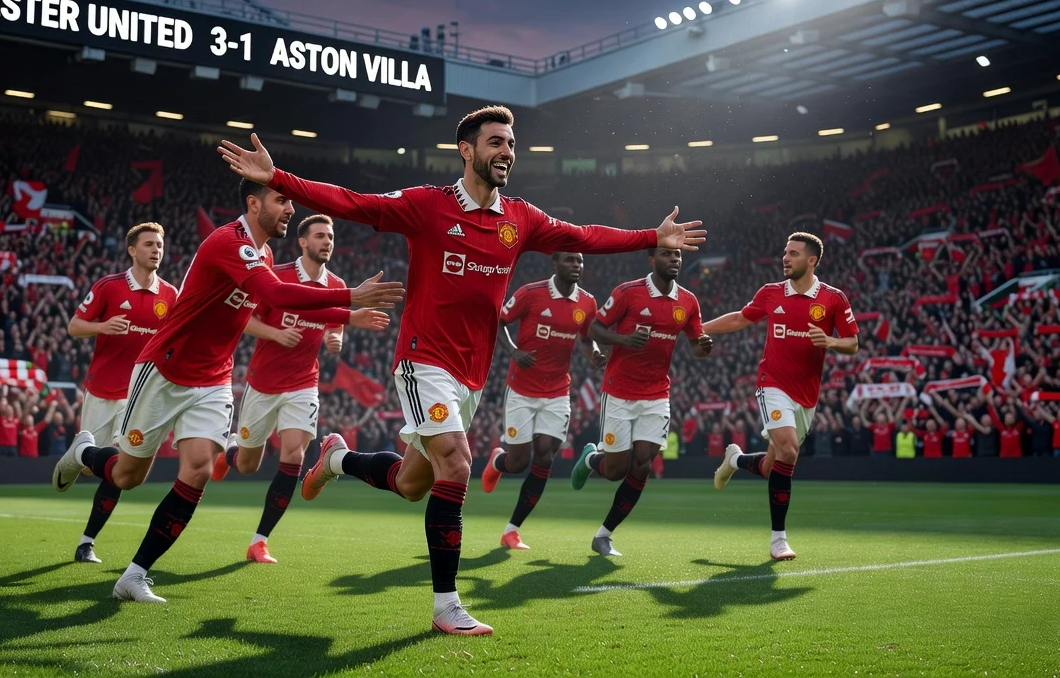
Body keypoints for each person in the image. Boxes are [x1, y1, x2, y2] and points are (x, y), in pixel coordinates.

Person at [218, 105, 704, 636]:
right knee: (458, 464)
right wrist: (280, 178)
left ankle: (337, 459)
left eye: (512, 144)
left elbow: (581, 236)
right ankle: (447, 605)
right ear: (467, 150)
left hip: (472, 374)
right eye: (496, 142)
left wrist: (650, 238)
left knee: (411, 484)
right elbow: (354, 203)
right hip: (423, 359)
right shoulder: (428, 206)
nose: (507, 152)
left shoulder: (519, 218)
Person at [51, 177, 401, 605]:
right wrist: (351, 297)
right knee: (127, 475)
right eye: (282, 200)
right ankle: (84, 453)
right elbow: (273, 292)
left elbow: (280, 302)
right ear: (254, 205)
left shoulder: (266, 252)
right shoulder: (228, 242)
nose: (290, 209)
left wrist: (348, 316)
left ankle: (135, 574)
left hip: (214, 378)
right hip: (164, 369)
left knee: (197, 469)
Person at [209, 214, 366, 565]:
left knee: (293, 455)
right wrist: (276, 334)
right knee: (249, 464)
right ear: (303, 242)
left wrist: (335, 337)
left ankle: (260, 540)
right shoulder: (275, 276)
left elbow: (335, 324)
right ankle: (230, 453)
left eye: (331, 236)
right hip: (263, 384)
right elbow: (242, 319)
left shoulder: (336, 284)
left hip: (303, 383)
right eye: (320, 236)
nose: (327, 241)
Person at [709, 233, 859, 561]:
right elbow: (738, 318)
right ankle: (779, 539)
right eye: (785, 252)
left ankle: (734, 460)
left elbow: (852, 343)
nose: (785, 258)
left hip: (807, 396)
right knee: (789, 451)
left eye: (793, 253)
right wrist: (698, 328)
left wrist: (831, 343)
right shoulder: (771, 292)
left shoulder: (833, 299)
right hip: (772, 384)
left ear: (812, 260)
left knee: (771, 465)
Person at [569, 247, 712, 557]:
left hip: (657, 394)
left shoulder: (688, 301)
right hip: (618, 391)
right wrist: (623, 340)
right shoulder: (627, 292)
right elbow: (594, 328)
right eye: (666, 255)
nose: (674, 259)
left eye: (678, 255)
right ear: (651, 260)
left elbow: (696, 348)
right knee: (615, 470)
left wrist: (704, 346)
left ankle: (604, 535)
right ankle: (592, 459)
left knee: (643, 463)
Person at [67, 222, 180, 564]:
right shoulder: (109, 287)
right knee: (91, 469)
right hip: (102, 391)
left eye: (159, 245)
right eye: (149, 244)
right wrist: (102, 326)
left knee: (120, 469)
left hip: (140, 397)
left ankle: (87, 541)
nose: (156, 250)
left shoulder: (170, 295)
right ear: (132, 250)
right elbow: (74, 326)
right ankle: (79, 455)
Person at [481, 251, 600, 551]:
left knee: (545, 455)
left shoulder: (587, 302)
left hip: (558, 391)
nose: (576, 266)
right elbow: (500, 321)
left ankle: (512, 530)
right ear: (554, 264)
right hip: (521, 389)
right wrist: (513, 352)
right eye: (570, 260)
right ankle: (498, 461)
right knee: (518, 462)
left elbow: (586, 339)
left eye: (580, 262)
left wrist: (594, 353)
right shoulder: (530, 294)